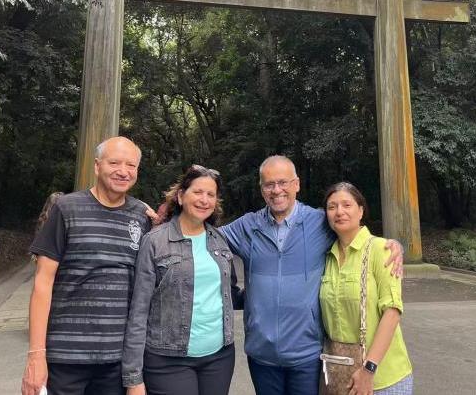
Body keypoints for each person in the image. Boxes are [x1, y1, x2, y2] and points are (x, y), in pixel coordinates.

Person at [218, 155, 404, 395]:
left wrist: (395, 244)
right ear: (261, 189)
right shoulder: (247, 226)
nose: (277, 190)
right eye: (269, 184)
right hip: (261, 354)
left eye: (283, 182)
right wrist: (167, 222)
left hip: (307, 354)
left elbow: (353, 231)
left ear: (296, 184)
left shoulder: (319, 222)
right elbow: (206, 237)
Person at [21, 137, 151, 395]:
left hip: (117, 360)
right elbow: (42, 283)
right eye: (114, 162)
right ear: (97, 166)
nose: (123, 171)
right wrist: (36, 355)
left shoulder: (141, 216)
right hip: (65, 357)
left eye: (131, 165)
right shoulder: (66, 208)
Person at [123, 165, 241, 395]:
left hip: (219, 356)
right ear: (180, 195)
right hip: (168, 359)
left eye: (210, 194)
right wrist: (133, 378)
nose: (204, 200)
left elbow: (230, 293)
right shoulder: (155, 241)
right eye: (197, 192)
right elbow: (138, 311)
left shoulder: (219, 240)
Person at [319, 182, 413, 395]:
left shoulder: (382, 250)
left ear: (361, 210)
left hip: (383, 378)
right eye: (332, 207)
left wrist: (369, 370)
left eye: (346, 205)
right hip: (339, 376)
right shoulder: (326, 257)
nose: (339, 212)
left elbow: (392, 312)